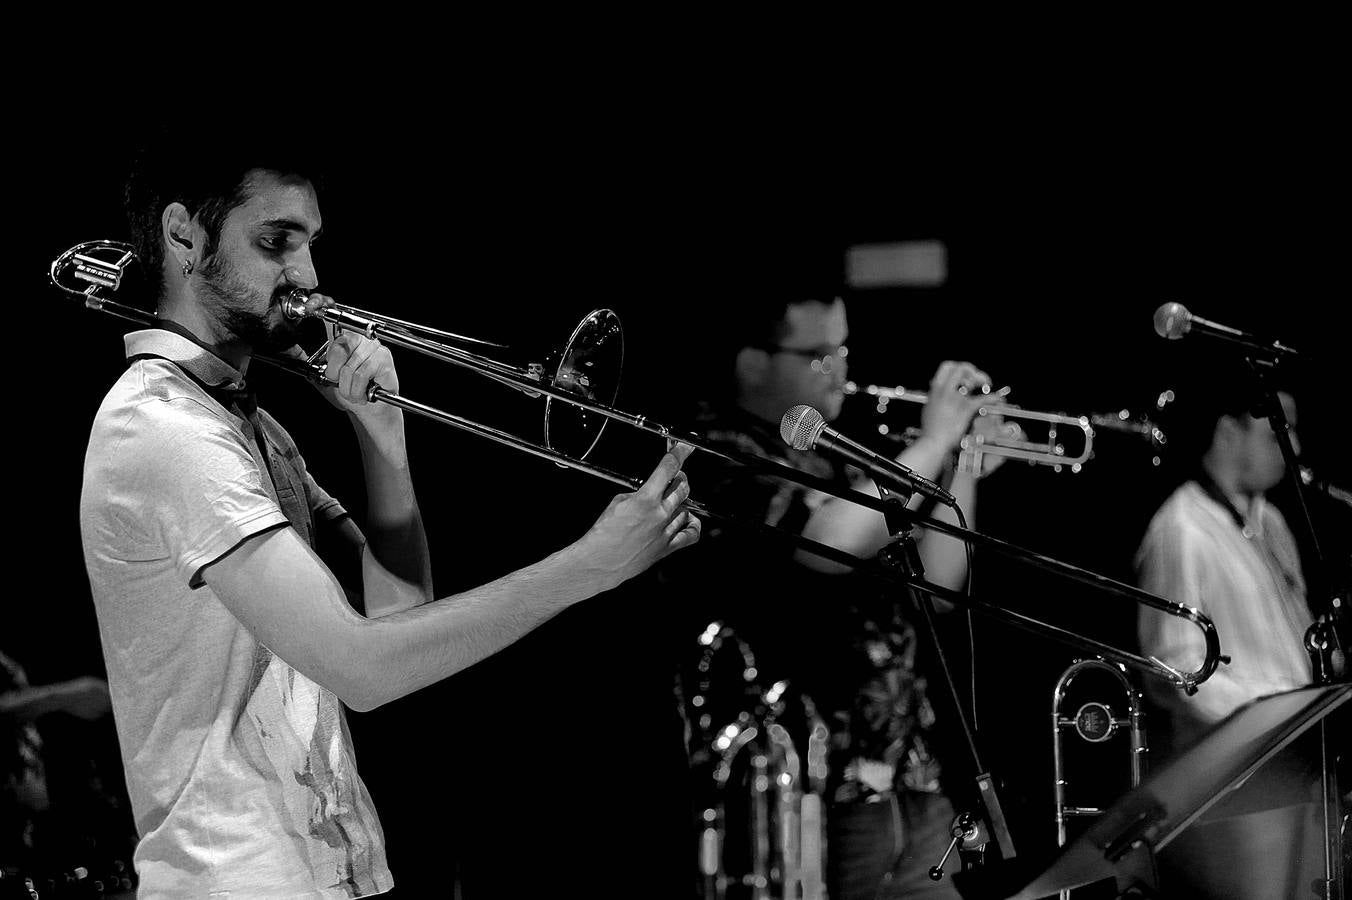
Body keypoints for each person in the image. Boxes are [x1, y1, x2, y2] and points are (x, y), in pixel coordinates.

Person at [79, 134, 700, 899]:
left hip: (330, 873)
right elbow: (362, 669)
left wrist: (383, 438)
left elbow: (398, 618)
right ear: (183, 235)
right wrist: (589, 566)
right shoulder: (164, 429)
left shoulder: (252, 427)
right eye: (276, 242)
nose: (306, 276)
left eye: (309, 245)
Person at [677, 283, 1020, 900]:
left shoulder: (838, 455)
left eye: (843, 351)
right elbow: (827, 543)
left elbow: (938, 588)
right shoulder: (717, 452)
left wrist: (961, 460)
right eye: (818, 355)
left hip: (911, 784)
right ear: (752, 362)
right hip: (806, 796)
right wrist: (935, 441)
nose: (838, 370)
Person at [1134, 377, 1324, 899]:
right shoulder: (1181, 528)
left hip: (1295, 770)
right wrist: (1281, 720)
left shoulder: (1274, 521)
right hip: (1236, 788)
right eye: (1277, 432)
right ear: (1229, 432)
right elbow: (1177, 673)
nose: (1294, 448)